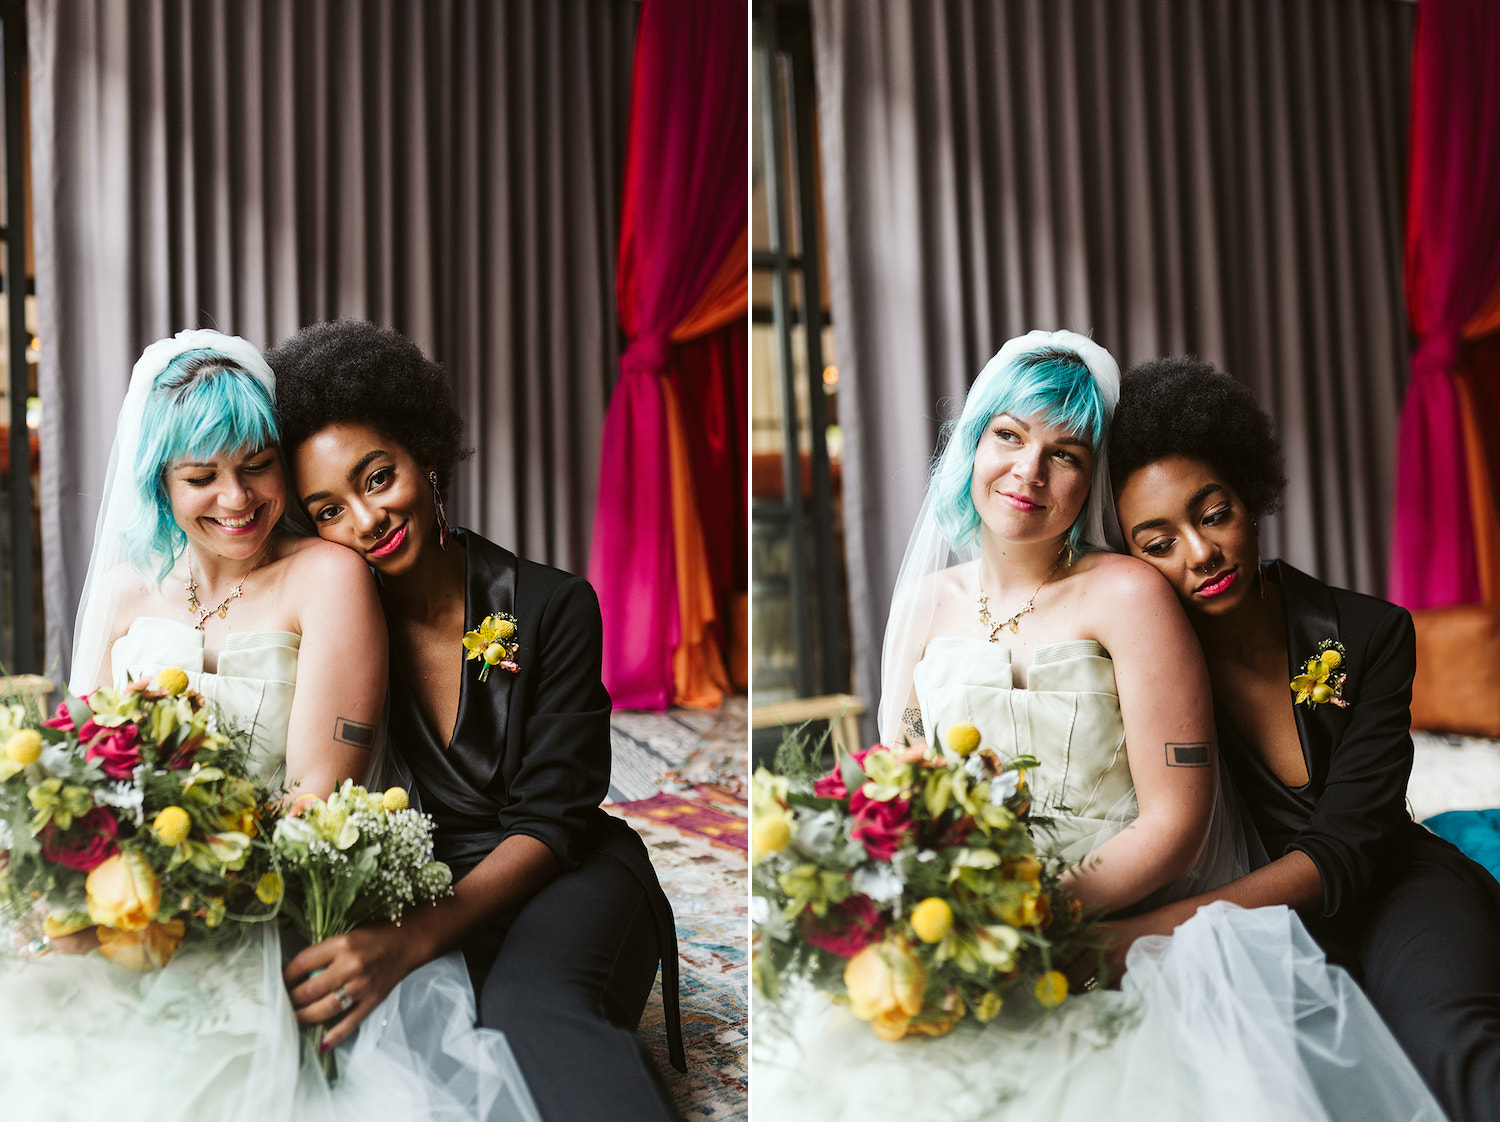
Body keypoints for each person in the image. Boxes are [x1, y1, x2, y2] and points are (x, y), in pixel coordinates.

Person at [753, 330, 1445, 1121]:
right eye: (1008, 436)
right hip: (974, 921)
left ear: (1093, 483)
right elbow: (904, 790)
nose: (1028, 471)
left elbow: (1178, 820)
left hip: (1121, 919)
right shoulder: (921, 605)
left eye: (1067, 454)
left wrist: (1032, 919)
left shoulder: (1130, 594)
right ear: (971, 445)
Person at [1, 330, 539, 1122]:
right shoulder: (122, 592)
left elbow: (320, 793)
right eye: (201, 477)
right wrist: (96, 881)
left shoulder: (327, 576)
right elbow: (80, 776)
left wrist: (180, 883)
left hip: (273, 898)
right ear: (161, 483)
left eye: (256, 465)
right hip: (134, 903)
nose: (236, 498)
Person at [268, 319, 685, 1122]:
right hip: (420, 881)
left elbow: (552, 819)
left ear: (425, 455)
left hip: (559, 871)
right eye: (327, 509)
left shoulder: (555, 605)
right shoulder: (336, 628)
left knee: (528, 1021)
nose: (365, 518)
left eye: (377, 476)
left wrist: (417, 937)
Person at [1108, 354, 1500, 1122]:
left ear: (1250, 499)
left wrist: (1140, 936)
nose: (1199, 553)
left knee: (1447, 1051)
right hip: (1261, 932)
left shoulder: (1371, 633)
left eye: (1212, 513)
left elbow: (1349, 849)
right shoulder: (1143, 671)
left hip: (1393, 890)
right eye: (1158, 542)